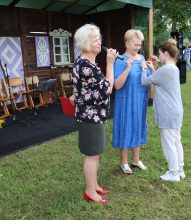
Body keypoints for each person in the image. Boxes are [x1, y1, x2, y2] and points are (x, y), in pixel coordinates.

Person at [72, 24, 117, 203]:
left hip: (93, 115)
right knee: (92, 155)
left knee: (95, 152)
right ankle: (90, 191)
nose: (99, 42)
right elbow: (107, 89)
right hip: (90, 116)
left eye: (99, 38)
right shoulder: (86, 65)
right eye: (95, 39)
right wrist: (110, 64)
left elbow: (79, 90)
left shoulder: (86, 63)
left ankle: (95, 185)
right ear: (85, 43)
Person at [141, 39, 185, 182]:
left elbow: (145, 82)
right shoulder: (173, 68)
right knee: (176, 141)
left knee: (168, 143)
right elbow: (158, 79)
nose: (158, 57)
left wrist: (143, 68)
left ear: (165, 53)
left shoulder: (165, 70)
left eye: (160, 54)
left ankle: (173, 174)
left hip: (168, 112)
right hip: (176, 111)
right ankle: (179, 170)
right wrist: (153, 68)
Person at [112, 29, 151, 174]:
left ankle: (136, 160)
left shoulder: (141, 57)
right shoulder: (120, 60)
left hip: (140, 100)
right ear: (126, 43)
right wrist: (128, 68)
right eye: (135, 44)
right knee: (126, 126)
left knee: (138, 125)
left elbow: (145, 78)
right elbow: (117, 85)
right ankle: (124, 162)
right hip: (126, 100)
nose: (137, 48)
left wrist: (149, 67)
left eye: (139, 45)